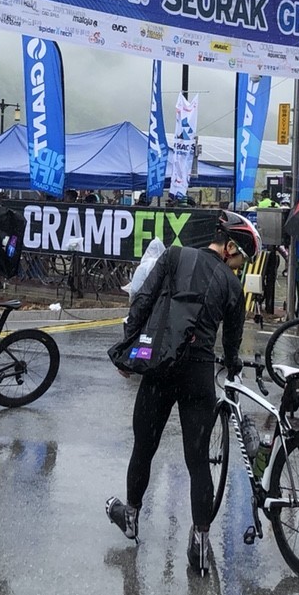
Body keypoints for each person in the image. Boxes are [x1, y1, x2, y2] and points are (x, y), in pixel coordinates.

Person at [105, 212, 256, 576]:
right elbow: (232, 342)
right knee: (198, 460)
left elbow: (142, 301)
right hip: (198, 373)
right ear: (230, 247)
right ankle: (200, 543)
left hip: (160, 365)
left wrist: (127, 349)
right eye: (241, 258)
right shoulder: (232, 285)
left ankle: (131, 516)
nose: (239, 266)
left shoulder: (173, 256)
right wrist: (232, 364)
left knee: (144, 447)